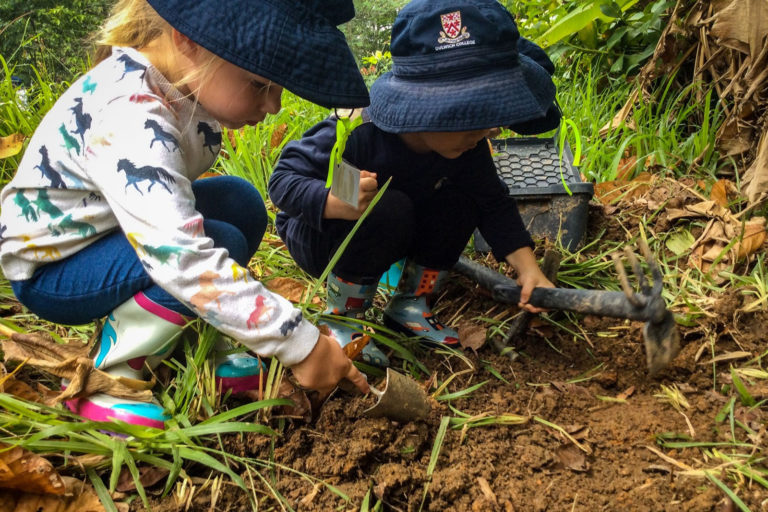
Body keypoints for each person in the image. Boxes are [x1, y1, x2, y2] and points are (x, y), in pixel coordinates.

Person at [0, 0, 372, 429]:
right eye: (258, 84)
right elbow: (180, 255)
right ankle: (109, 380)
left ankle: (195, 343)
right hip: (54, 268)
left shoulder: (181, 82)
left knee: (240, 203)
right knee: (219, 243)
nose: (274, 105)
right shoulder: (130, 114)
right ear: (189, 40)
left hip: (105, 230)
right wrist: (299, 343)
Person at [268, 0, 560, 368]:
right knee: (388, 206)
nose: (491, 130)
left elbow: (492, 202)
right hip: (325, 234)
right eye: (472, 117)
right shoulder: (360, 129)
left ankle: (411, 304)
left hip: (393, 231)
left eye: (491, 117)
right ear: (422, 107)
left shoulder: (466, 147)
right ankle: (343, 317)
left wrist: (529, 270)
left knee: (463, 199)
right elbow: (283, 179)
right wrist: (333, 200)